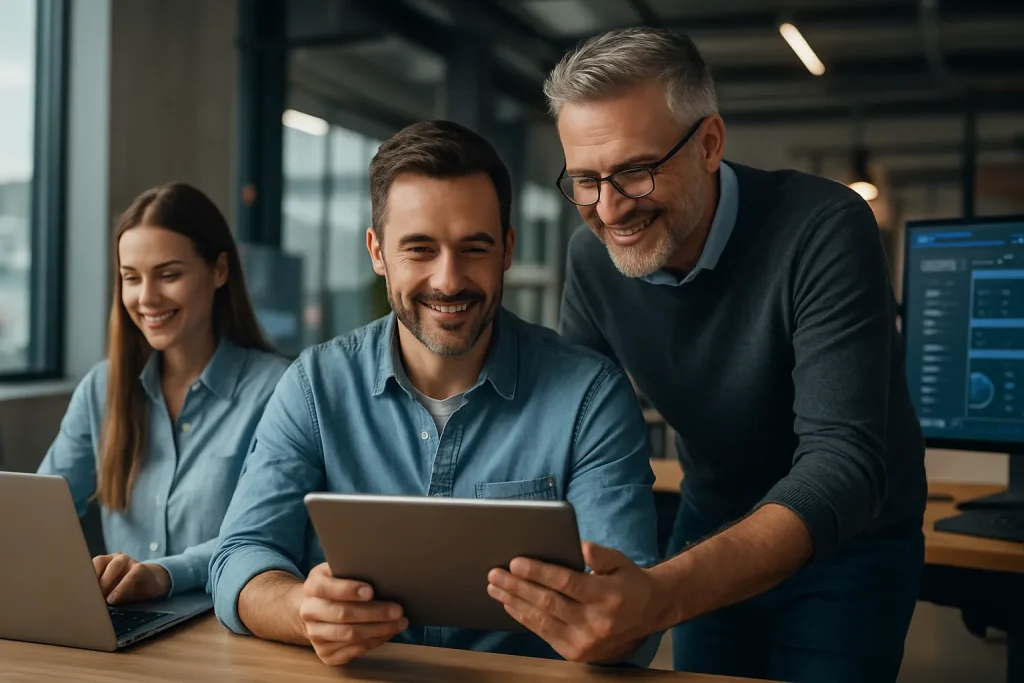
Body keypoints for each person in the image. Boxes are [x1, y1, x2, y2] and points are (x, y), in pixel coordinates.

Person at [485, 28, 928, 683]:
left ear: (710, 143)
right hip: (711, 519)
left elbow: (843, 464)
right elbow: (571, 431)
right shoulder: (593, 259)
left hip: (849, 543)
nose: (609, 209)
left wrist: (660, 594)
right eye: (585, 180)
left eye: (636, 171)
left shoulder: (824, 228)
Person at [208, 119, 661, 667]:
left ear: (507, 249)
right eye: (420, 249)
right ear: (377, 251)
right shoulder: (314, 387)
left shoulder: (591, 398)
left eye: (474, 248)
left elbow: (631, 607)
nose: (448, 280)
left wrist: (614, 620)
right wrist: (300, 608)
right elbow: (239, 557)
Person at [37, 182, 289, 606]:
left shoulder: (278, 390)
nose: (147, 298)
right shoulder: (102, 389)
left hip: (229, 626)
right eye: (131, 278)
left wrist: (163, 574)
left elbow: (266, 533)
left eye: (169, 275)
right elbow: (40, 512)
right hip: (125, 623)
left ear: (220, 270)